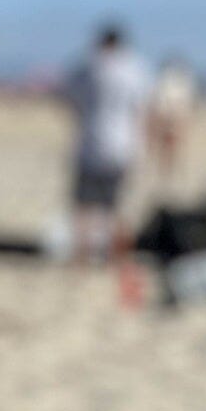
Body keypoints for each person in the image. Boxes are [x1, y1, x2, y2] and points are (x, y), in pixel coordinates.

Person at [63, 23, 153, 262]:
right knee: (117, 205)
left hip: (90, 143)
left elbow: (69, 98)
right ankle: (115, 255)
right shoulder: (135, 68)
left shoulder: (88, 66)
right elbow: (143, 107)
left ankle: (81, 255)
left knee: (84, 205)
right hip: (124, 144)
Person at [148, 54, 197, 181]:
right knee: (167, 147)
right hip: (169, 116)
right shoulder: (166, 81)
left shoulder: (180, 82)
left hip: (173, 116)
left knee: (173, 147)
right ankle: (166, 172)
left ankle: (170, 171)